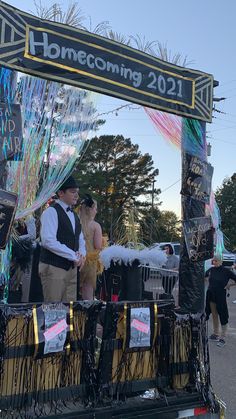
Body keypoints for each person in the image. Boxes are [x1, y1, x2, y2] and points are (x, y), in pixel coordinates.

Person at [39, 176, 86, 302]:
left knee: (69, 309)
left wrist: (81, 255)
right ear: (60, 193)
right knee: (53, 310)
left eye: (77, 192)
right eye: (72, 191)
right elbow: (48, 241)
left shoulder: (75, 215)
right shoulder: (51, 212)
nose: (76, 195)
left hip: (72, 268)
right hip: (54, 268)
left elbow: (80, 238)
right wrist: (73, 256)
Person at [205, 255, 236, 347]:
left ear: (220, 261)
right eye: (213, 261)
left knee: (223, 315)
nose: (214, 262)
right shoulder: (211, 270)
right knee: (214, 315)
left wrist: (229, 285)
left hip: (220, 296)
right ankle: (216, 334)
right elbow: (204, 276)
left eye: (216, 261)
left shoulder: (226, 271)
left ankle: (223, 337)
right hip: (211, 296)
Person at [79, 194, 103, 300]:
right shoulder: (95, 225)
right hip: (89, 261)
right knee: (88, 292)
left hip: (77, 258)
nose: (96, 211)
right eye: (96, 209)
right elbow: (98, 246)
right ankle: (87, 315)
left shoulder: (76, 222)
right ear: (91, 209)